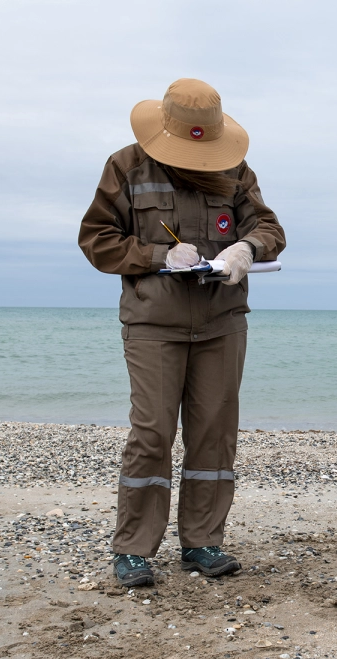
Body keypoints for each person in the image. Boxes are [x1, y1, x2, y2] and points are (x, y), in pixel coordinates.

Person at [78, 78, 285, 585]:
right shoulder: (125, 166)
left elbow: (270, 230)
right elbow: (97, 239)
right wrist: (156, 255)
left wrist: (246, 250)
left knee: (214, 435)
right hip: (153, 325)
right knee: (151, 434)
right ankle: (133, 549)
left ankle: (203, 542)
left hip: (222, 324)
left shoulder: (236, 171)